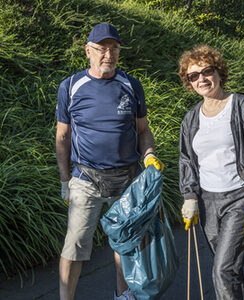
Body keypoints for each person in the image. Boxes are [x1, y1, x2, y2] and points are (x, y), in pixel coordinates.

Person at [55, 23, 164, 300]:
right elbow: (63, 137)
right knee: (75, 245)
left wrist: (149, 154)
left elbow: (143, 130)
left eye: (114, 49)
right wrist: (65, 181)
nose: (108, 54)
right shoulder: (70, 86)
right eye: (102, 48)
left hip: (127, 179)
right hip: (85, 180)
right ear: (88, 51)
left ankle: (123, 295)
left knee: (125, 243)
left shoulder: (131, 84)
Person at [178, 44, 244, 300]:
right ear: (189, 83)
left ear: (219, 72)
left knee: (222, 270)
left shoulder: (242, 107)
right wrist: (190, 197)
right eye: (193, 76)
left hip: (239, 198)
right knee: (231, 270)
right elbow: (187, 159)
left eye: (206, 71)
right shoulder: (191, 118)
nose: (201, 79)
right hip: (208, 203)